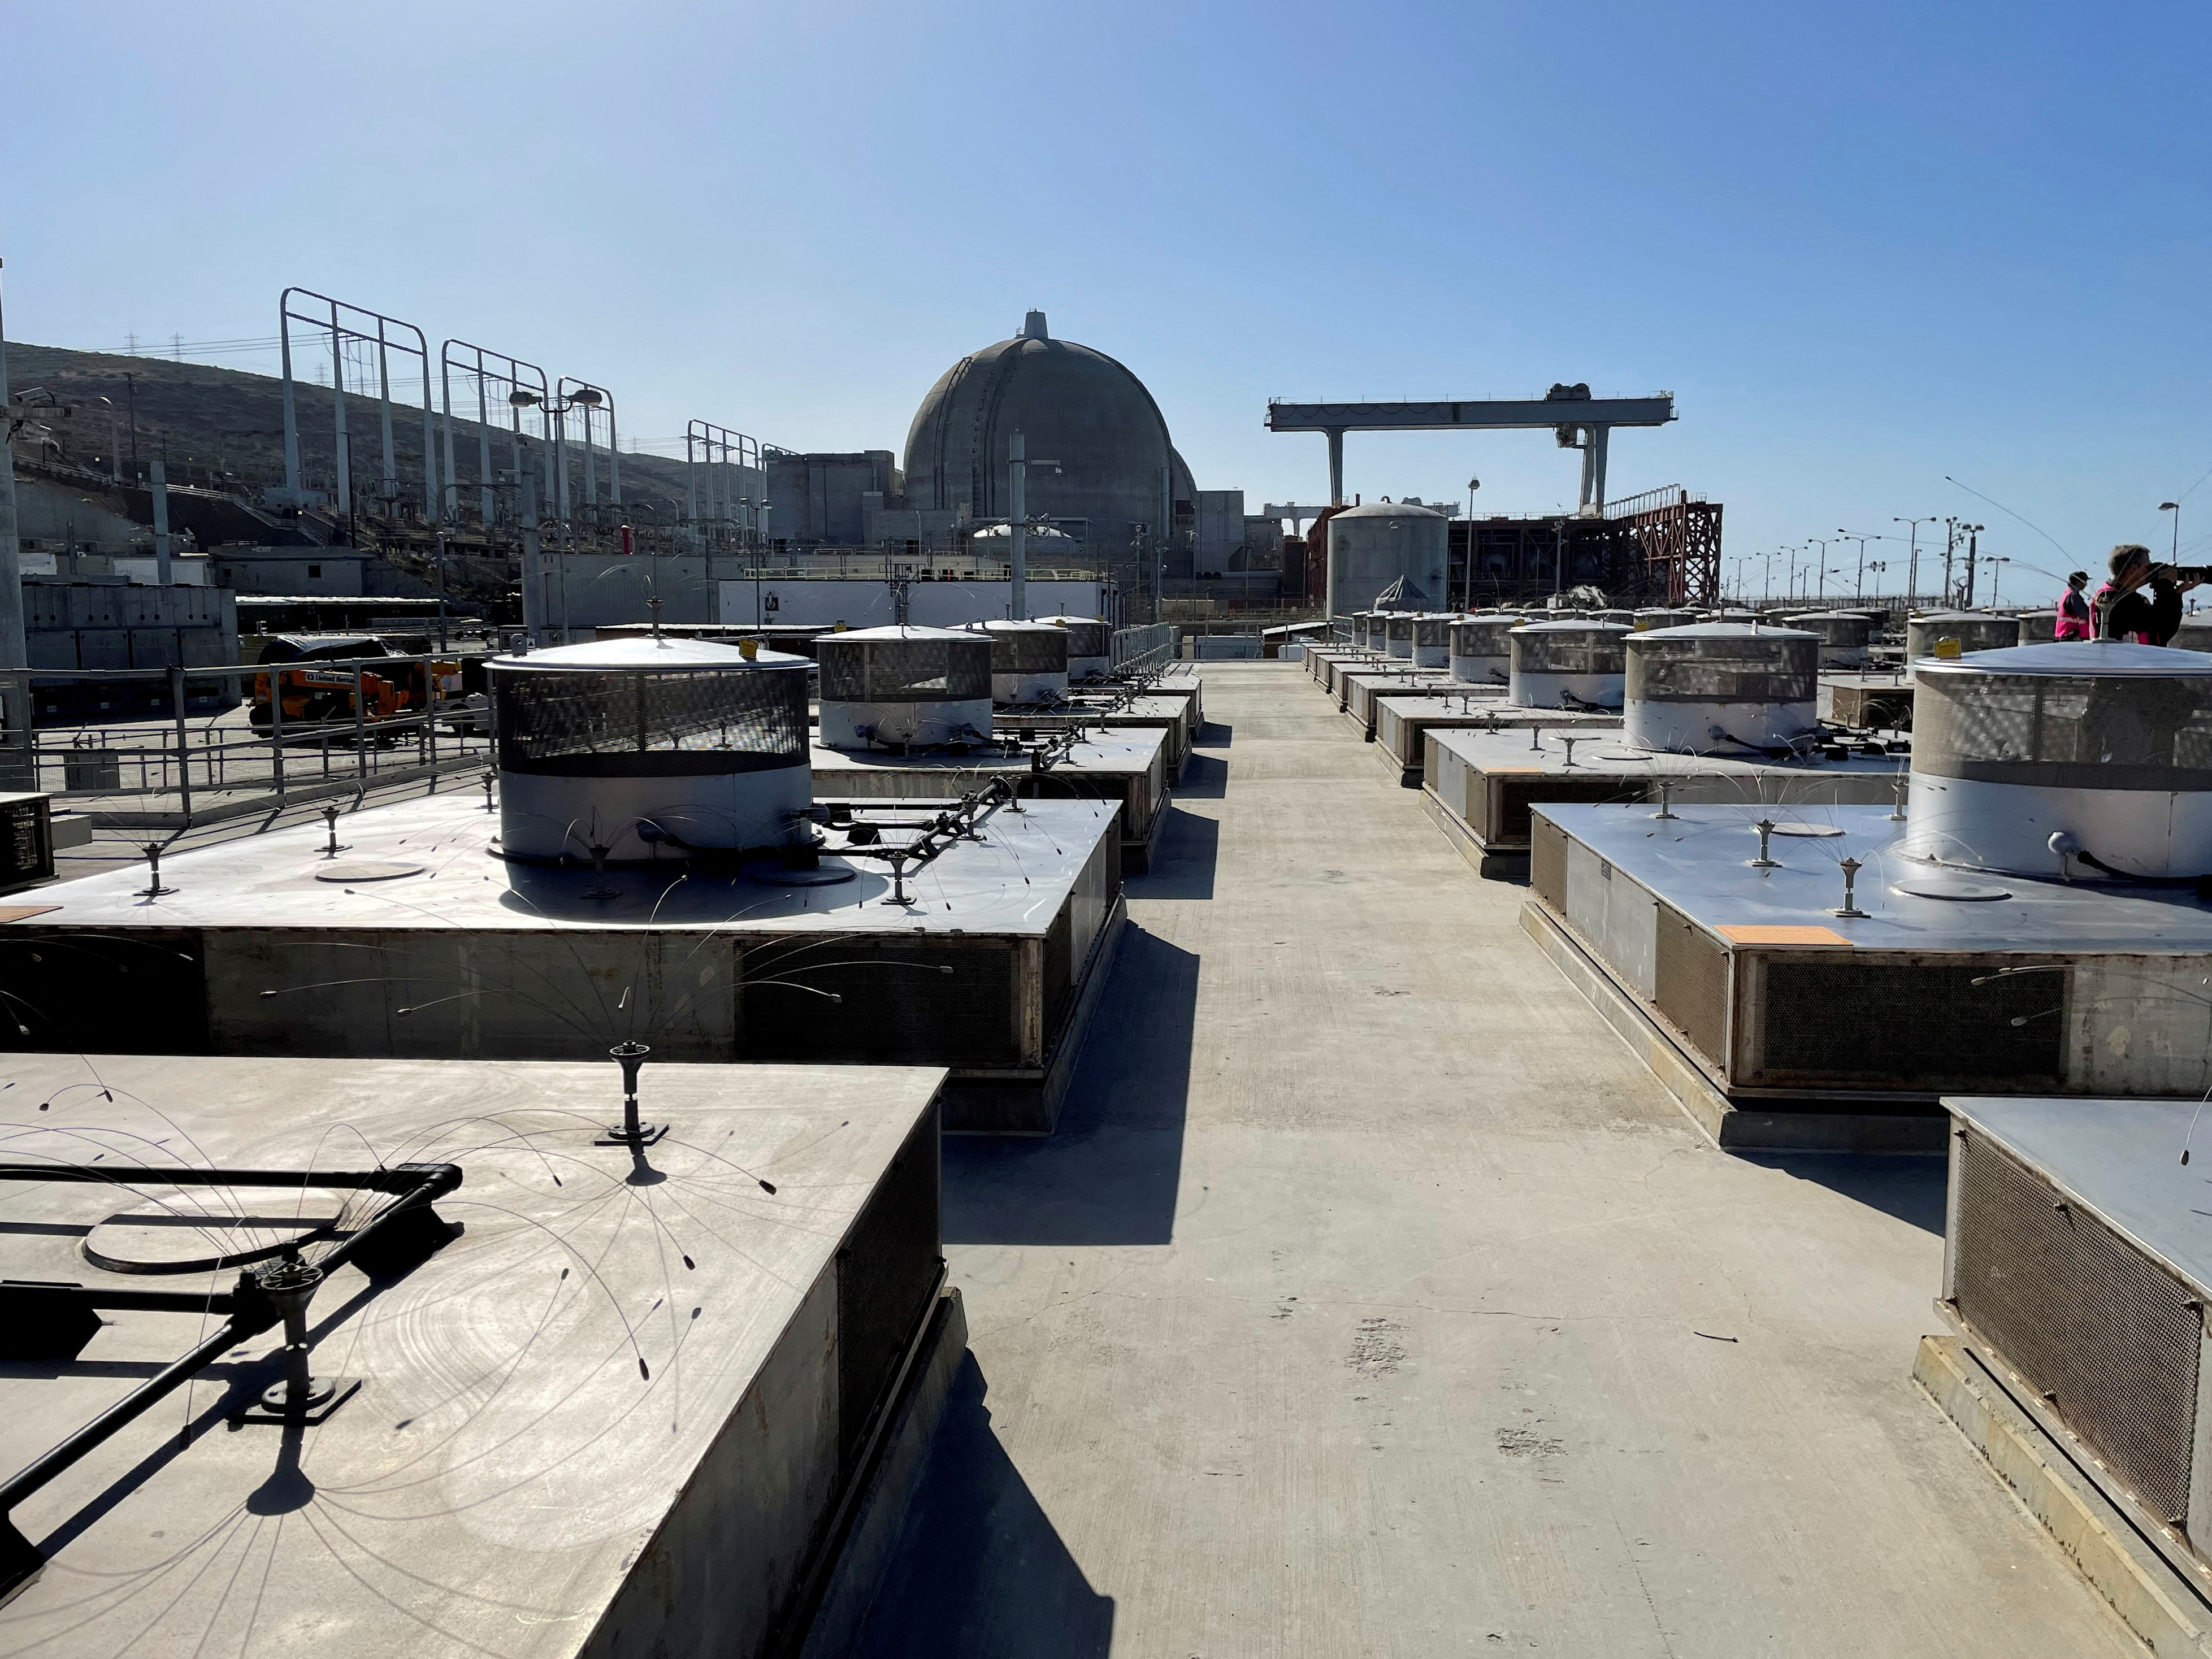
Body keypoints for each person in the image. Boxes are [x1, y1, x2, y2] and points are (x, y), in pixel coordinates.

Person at [2094, 544, 2200, 646]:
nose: (2151, 571)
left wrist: (2176, 593)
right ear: (2134, 569)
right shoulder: (2112, 598)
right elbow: (2160, 626)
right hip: (2125, 660)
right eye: (2148, 566)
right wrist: (2165, 585)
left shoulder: (2117, 595)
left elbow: (2165, 631)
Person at [2054, 570, 2093, 639]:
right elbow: (2084, 614)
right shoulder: (2074, 597)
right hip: (2073, 636)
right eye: (2085, 581)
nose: (2086, 584)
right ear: (2078, 582)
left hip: (2066, 634)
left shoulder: (2066, 594)